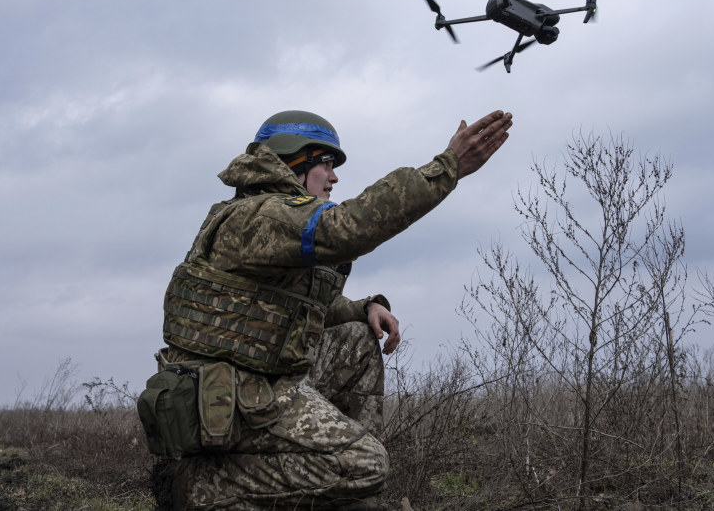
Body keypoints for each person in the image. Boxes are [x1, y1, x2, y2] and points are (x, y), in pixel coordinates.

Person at [149, 109, 513, 510]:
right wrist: (448, 167)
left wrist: (363, 307)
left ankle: (338, 493)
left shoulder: (267, 217)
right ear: (293, 163)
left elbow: (298, 304)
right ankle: (205, 486)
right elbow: (345, 229)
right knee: (368, 464)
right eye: (326, 164)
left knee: (358, 340)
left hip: (257, 381)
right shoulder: (261, 216)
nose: (334, 177)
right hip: (230, 398)